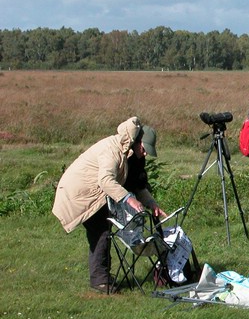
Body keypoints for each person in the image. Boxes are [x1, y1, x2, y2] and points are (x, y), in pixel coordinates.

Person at [52, 117, 165, 293]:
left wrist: (151, 203)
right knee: (101, 232)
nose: (145, 154)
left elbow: (135, 184)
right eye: (144, 149)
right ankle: (100, 281)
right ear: (136, 142)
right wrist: (129, 199)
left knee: (105, 230)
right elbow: (105, 181)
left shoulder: (131, 155)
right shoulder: (112, 150)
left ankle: (103, 276)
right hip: (80, 193)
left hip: (97, 193)